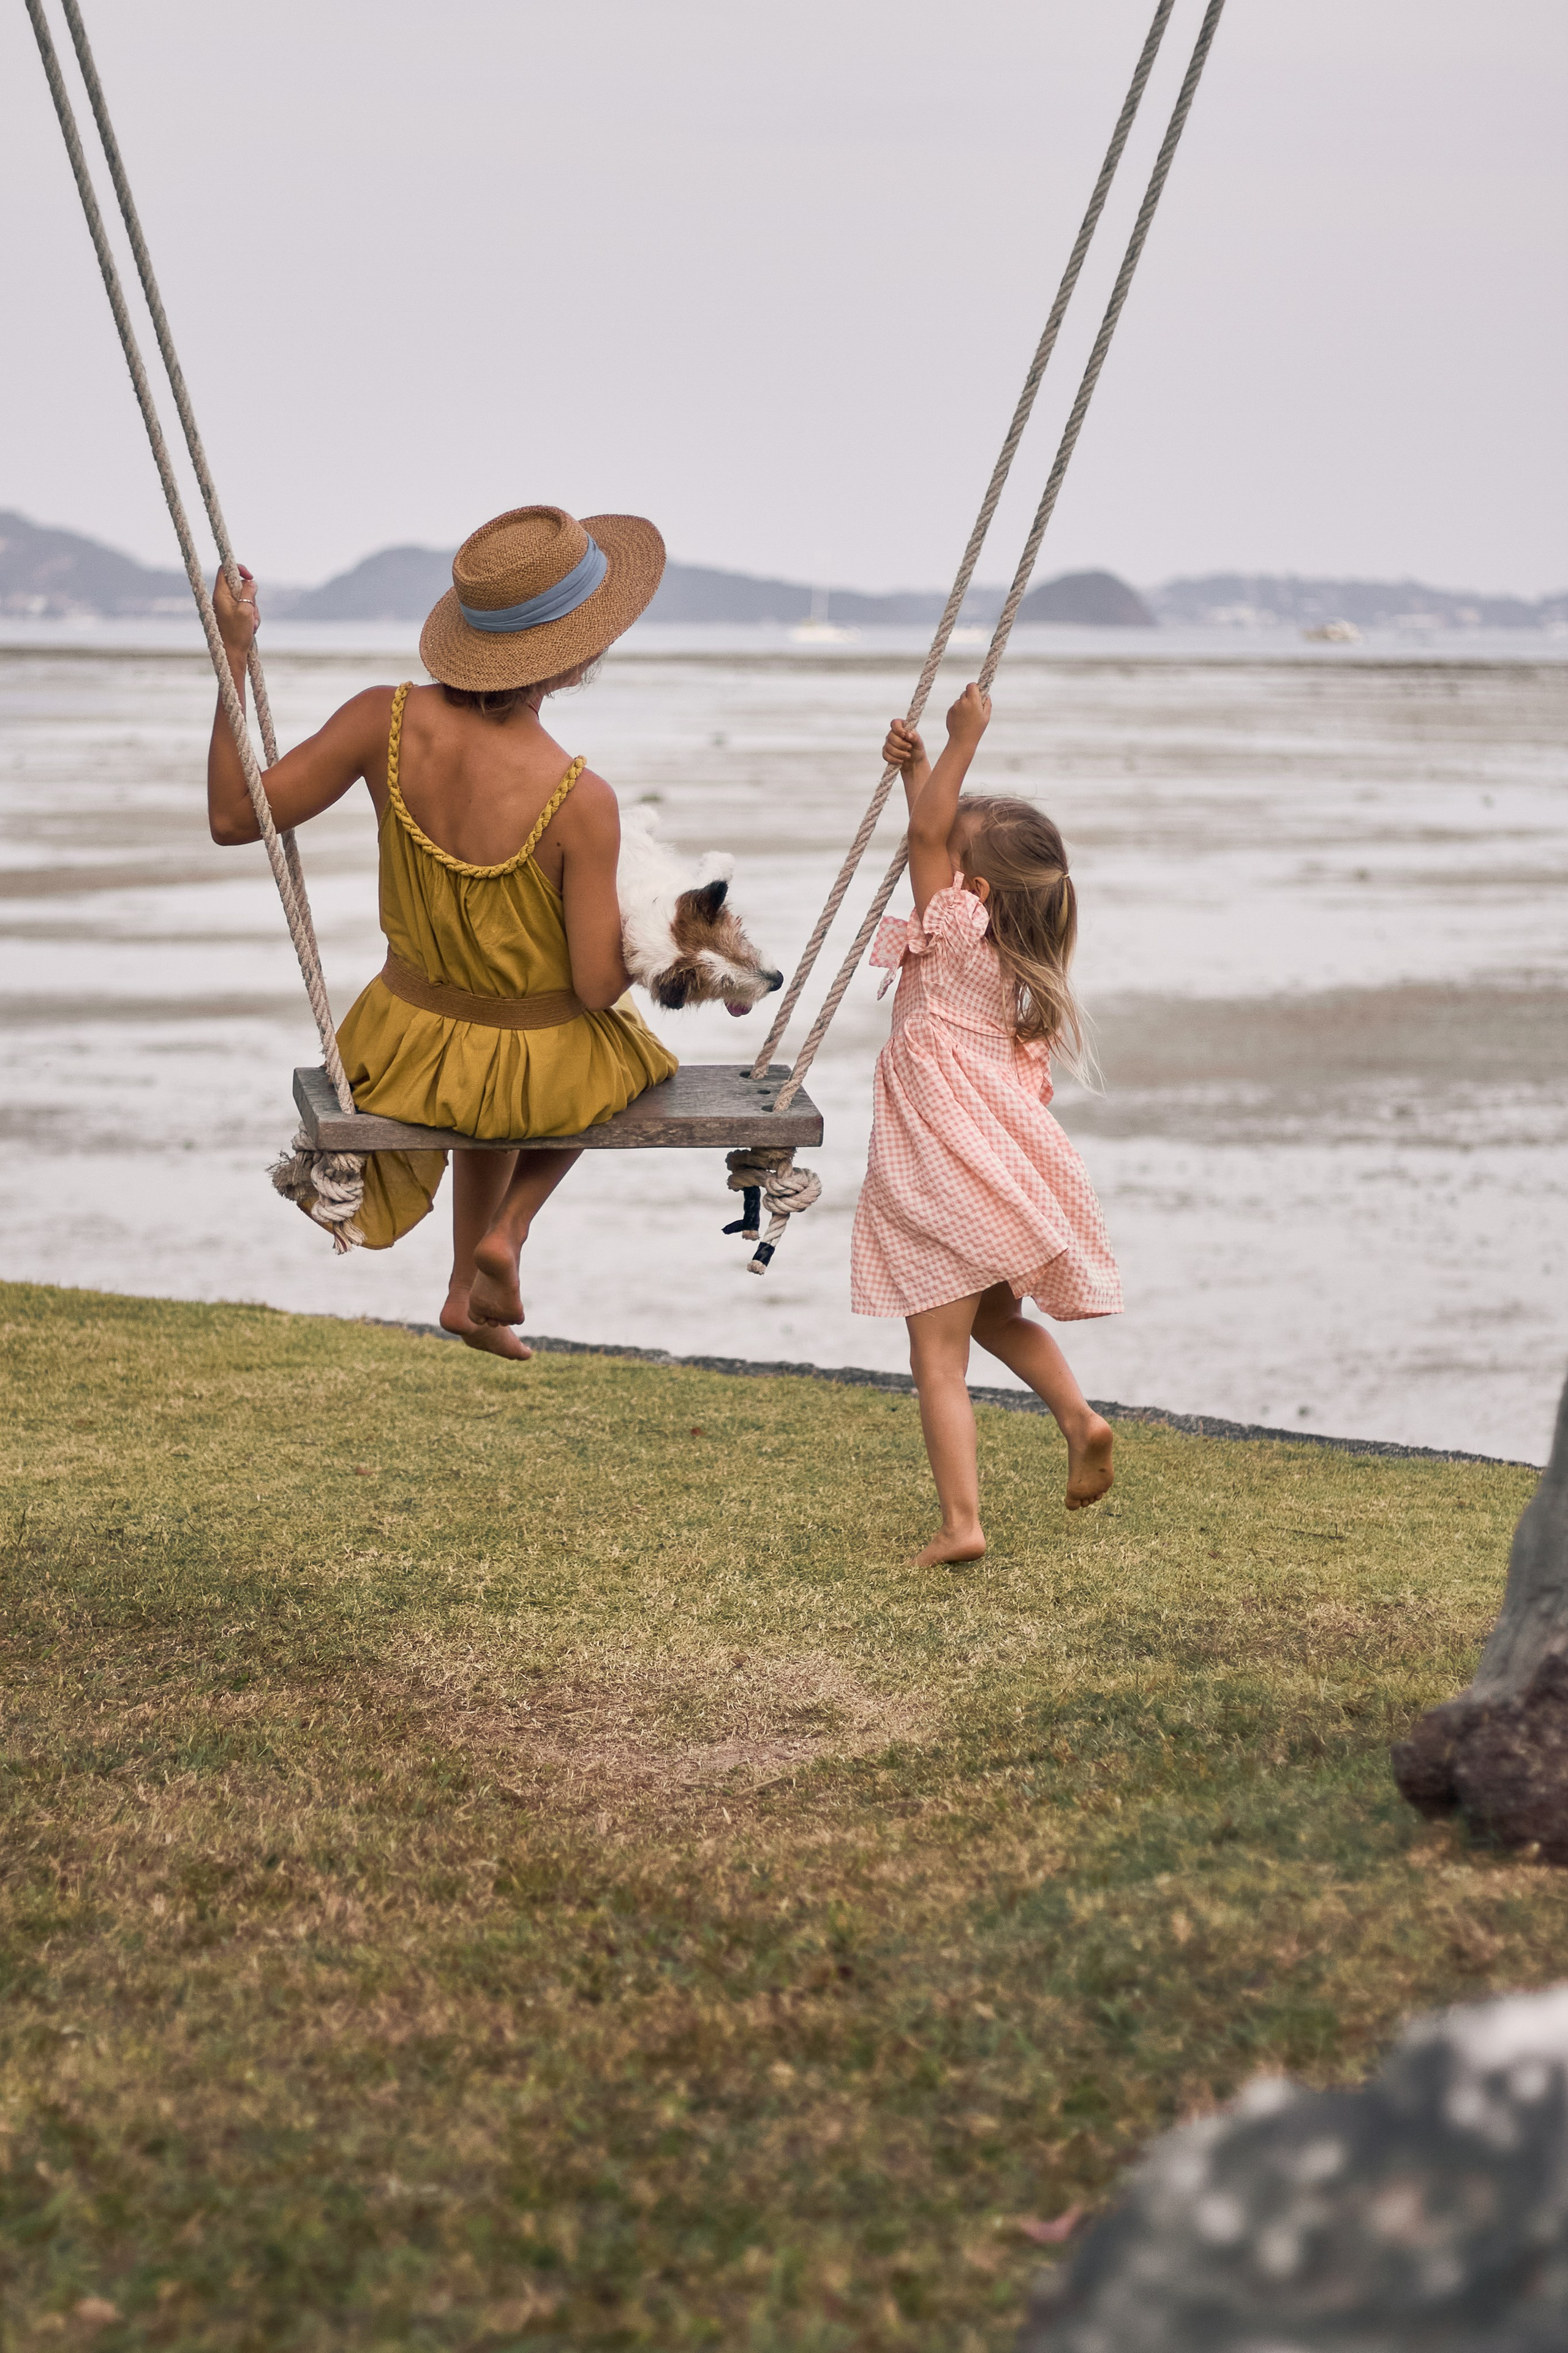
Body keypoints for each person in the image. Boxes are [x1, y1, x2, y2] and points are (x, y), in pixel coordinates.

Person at [206, 504, 677, 1359]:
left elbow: (236, 817)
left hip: (406, 1046)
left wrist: (233, 651)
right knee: (622, 1052)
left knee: (495, 1066)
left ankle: (466, 1291)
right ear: (573, 662)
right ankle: (511, 1229)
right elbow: (595, 985)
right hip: (522, 1062)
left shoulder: (380, 721)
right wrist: (661, 941)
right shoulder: (583, 800)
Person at [851, 685, 1123, 1565]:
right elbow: (935, 832)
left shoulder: (952, 931)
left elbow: (929, 838)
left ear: (971, 888)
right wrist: (921, 768)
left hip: (942, 1176)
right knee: (998, 1320)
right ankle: (1079, 1419)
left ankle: (962, 1524)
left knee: (937, 1355)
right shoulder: (1001, 962)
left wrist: (960, 739)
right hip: (992, 1180)